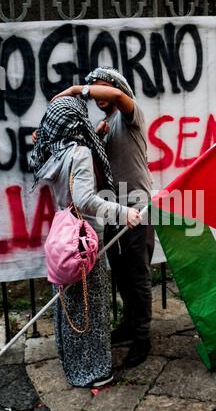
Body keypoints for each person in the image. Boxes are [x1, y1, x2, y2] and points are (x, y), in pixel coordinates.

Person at [30, 96, 141, 387]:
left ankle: (73, 363)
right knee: (91, 304)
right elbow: (85, 200)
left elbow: (46, 149)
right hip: (84, 240)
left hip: (61, 237)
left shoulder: (52, 152)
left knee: (71, 306)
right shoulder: (78, 152)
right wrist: (124, 211)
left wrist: (96, 134)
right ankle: (94, 371)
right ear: (75, 121)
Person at [52, 66, 154, 368]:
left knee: (138, 275)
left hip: (137, 208)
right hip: (112, 209)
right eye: (91, 89)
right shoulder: (105, 125)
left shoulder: (130, 114)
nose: (96, 95)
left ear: (112, 86)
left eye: (98, 88)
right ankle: (128, 325)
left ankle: (142, 337)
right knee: (121, 272)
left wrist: (75, 91)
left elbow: (116, 95)